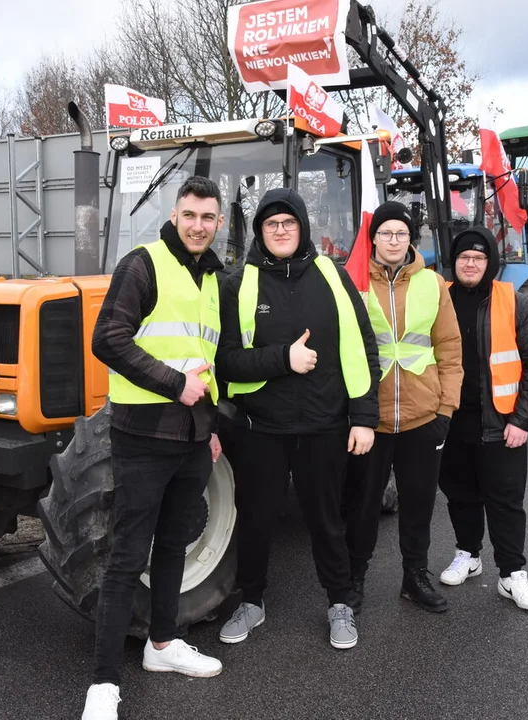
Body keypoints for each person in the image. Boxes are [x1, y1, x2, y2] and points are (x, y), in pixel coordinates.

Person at [83, 176, 226, 720]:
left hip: (192, 438)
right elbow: (108, 339)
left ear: (219, 222)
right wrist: (174, 384)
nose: (198, 226)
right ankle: (103, 684)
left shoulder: (211, 278)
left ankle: (163, 645)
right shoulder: (142, 264)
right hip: (143, 436)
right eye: (190, 215)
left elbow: (205, 364)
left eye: (208, 218)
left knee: (173, 545)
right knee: (127, 556)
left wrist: (209, 425)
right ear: (175, 213)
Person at [215, 188, 380, 650]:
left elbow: (363, 347)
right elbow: (225, 363)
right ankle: (251, 601)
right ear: (259, 232)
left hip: (324, 424)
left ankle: (340, 603)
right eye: (271, 224)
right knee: (255, 518)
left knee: (327, 518)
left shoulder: (333, 277)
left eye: (289, 222)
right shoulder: (240, 285)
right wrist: (282, 359)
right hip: (260, 428)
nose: (281, 230)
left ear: (302, 227)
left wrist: (364, 418)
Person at [343, 201, 463, 614]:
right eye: (385, 233)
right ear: (372, 238)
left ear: (411, 239)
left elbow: (449, 348)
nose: (393, 240)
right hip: (368, 420)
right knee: (361, 506)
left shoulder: (433, 283)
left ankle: (415, 577)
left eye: (401, 233)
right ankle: (354, 578)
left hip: (422, 417)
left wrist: (446, 409)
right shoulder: (352, 281)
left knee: (418, 504)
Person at [436, 228, 528, 611]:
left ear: (490, 263)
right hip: (452, 421)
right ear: (454, 262)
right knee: (459, 494)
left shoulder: (514, 302)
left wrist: (522, 420)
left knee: (504, 500)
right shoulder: (440, 301)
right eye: (464, 257)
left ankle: (511, 574)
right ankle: (468, 554)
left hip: (502, 424)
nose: (470, 264)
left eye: (478, 258)